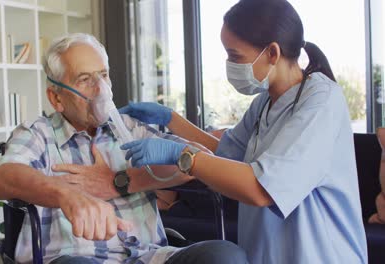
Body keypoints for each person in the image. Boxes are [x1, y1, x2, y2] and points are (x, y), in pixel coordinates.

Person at [119, 0, 368, 263]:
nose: (229, 64)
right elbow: (225, 152)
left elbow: (262, 189)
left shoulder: (320, 102)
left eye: (235, 56)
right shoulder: (265, 102)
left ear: (272, 53)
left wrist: (184, 155)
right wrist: (170, 118)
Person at [0, 33, 247, 264]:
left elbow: (201, 160)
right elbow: (4, 178)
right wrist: (65, 195)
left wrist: (122, 180)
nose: (101, 90)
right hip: (75, 258)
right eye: (85, 79)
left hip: (151, 256)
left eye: (103, 75)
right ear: (57, 98)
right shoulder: (38, 134)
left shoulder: (131, 128)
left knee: (225, 256)